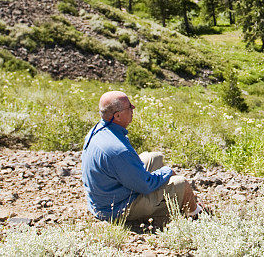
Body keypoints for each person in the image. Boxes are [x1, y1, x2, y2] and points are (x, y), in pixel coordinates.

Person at [81, 90, 203, 221]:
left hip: (105, 196)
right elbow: (145, 186)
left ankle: (170, 198)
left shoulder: (98, 130)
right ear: (117, 116)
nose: (133, 108)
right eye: (129, 107)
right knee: (181, 183)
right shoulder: (119, 151)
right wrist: (167, 172)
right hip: (116, 209)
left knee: (154, 157)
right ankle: (195, 214)